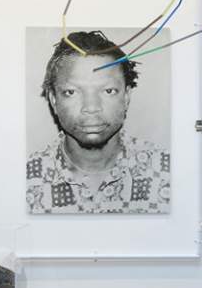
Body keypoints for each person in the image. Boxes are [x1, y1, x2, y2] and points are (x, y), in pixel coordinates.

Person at [26, 31, 170, 214]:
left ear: (126, 97)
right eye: (71, 92)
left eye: (108, 91)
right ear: (54, 100)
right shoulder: (26, 179)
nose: (91, 107)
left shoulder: (166, 172)